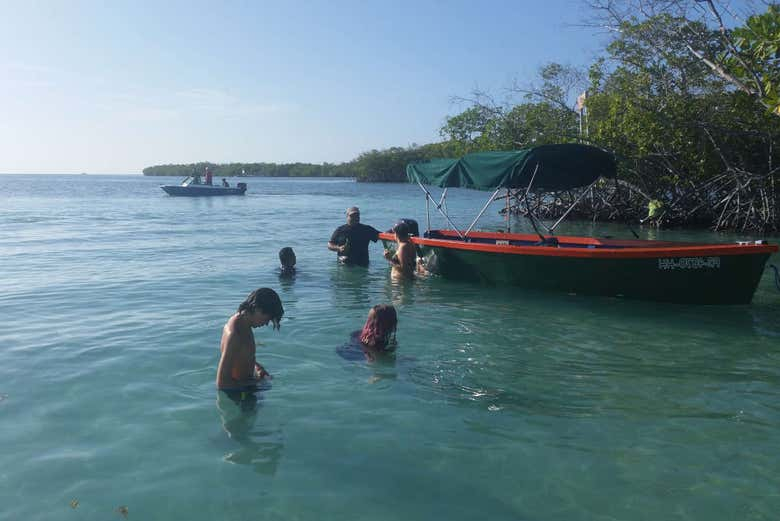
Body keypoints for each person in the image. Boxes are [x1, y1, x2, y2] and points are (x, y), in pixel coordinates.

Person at [216, 288, 284, 397]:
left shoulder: (244, 324)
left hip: (246, 387)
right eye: (267, 318)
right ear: (257, 309)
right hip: (238, 396)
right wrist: (257, 384)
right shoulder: (235, 334)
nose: (266, 323)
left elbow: (240, 357)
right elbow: (222, 383)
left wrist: (257, 368)